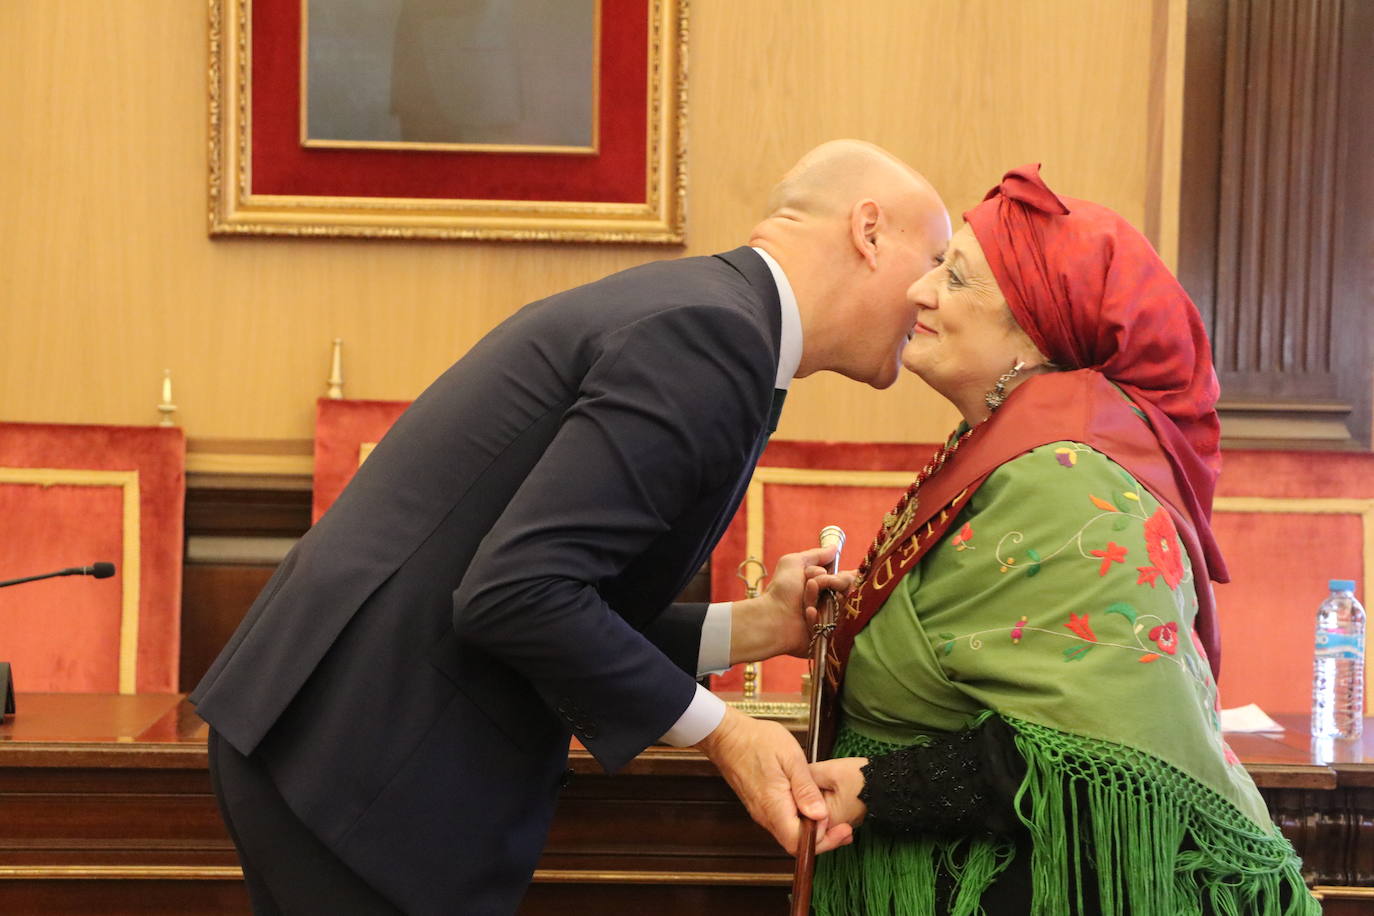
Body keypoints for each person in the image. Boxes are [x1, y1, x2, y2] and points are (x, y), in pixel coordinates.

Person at [191, 139, 951, 915]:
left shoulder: (711, 314)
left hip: (337, 740)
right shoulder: (714, 339)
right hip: (364, 761)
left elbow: (558, 604)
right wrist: (726, 732)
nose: (934, 298)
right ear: (868, 231)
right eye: (936, 261)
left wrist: (758, 627)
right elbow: (517, 596)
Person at [807, 165, 1317, 915]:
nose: (920, 291)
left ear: (1036, 333)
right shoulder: (1018, 450)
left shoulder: (1068, 474)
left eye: (956, 278)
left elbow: (1082, 753)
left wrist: (877, 789)